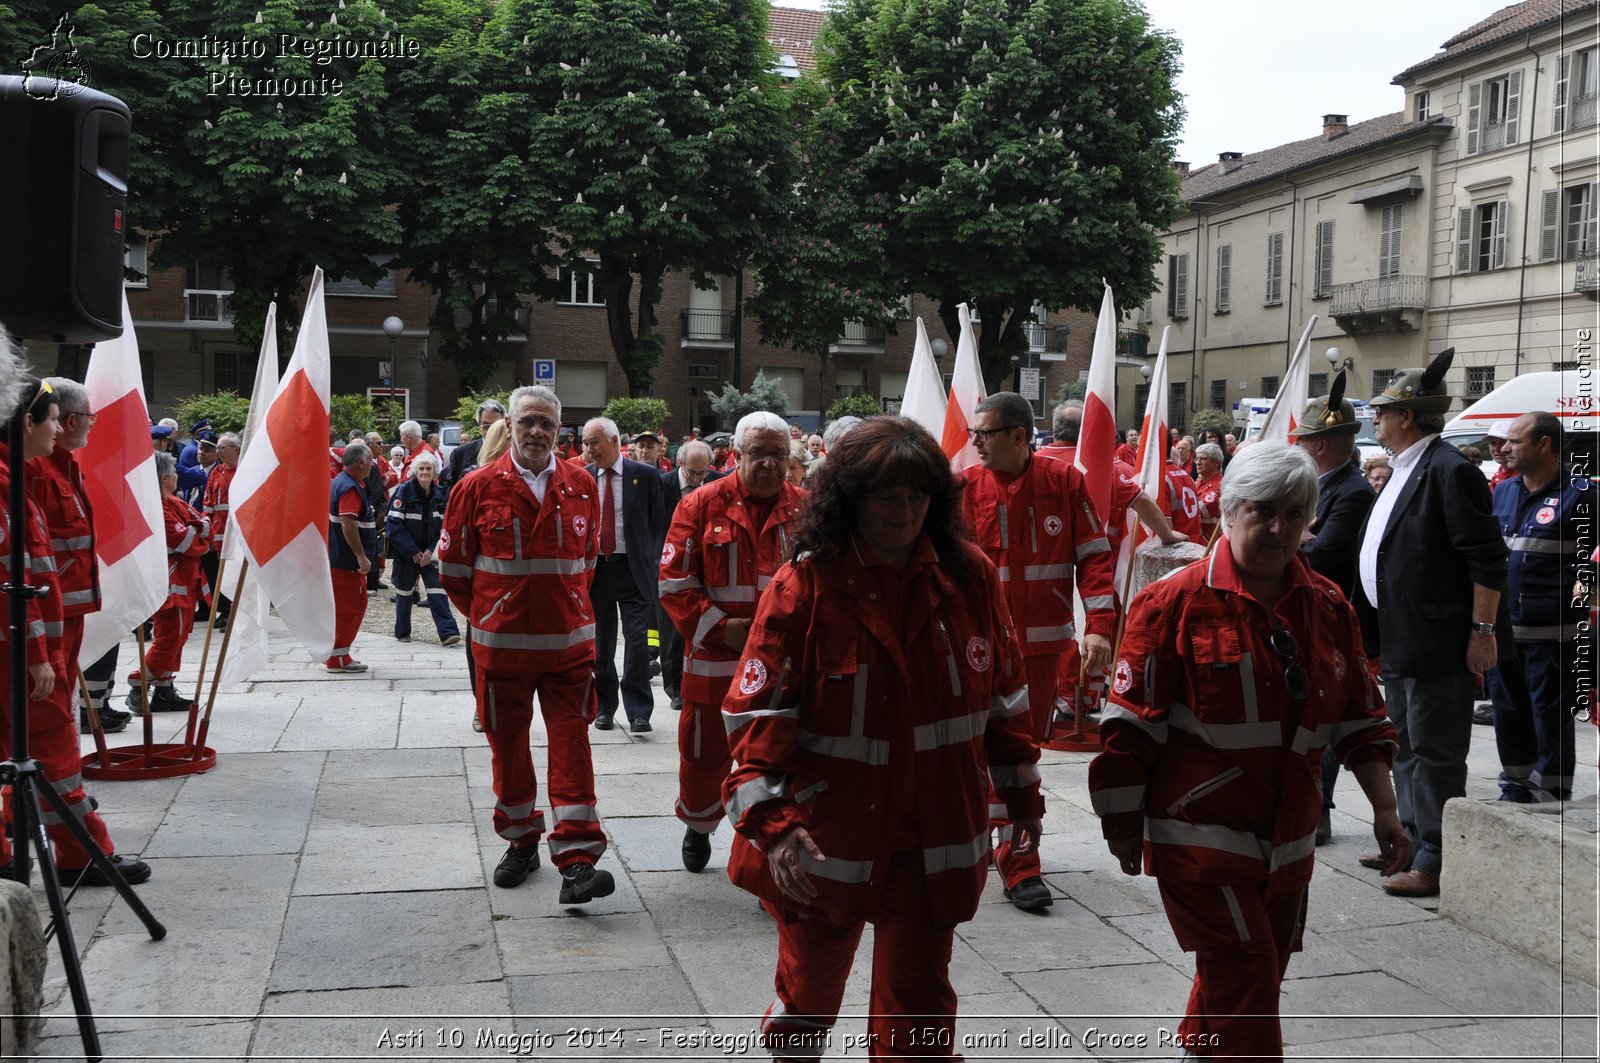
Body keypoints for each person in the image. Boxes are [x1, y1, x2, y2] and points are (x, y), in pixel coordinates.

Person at [721, 416, 1040, 1059]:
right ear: (850, 499)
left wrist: (1021, 802)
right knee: (805, 999)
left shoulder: (970, 577)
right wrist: (773, 824)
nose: (904, 511)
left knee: (919, 1010)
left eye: (918, 495)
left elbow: (1005, 699)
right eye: (886, 496)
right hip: (825, 835)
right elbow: (756, 718)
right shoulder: (806, 583)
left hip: (936, 835)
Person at [1089, 441, 1407, 1061]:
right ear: (1229, 511)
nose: (1279, 527)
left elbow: (1361, 721)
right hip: (1201, 841)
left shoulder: (1328, 605)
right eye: (1263, 510)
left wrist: (1386, 811)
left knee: (1251, 977)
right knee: (1249, 984)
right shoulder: (1173, 603)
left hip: (1288, 842)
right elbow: (1129, 732)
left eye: (1295, 513)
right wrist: (1123, 826)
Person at [438, 385, 616, 904]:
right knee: (508, 750)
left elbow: (586, 563)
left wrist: (567, 609)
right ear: (509, 427)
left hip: (568, 650)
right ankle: (521, 843)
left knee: (572, 748)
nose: (536, 431)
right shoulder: (475, 487)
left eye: (546, 424)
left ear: (559, 432)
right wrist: (494, 613)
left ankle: (578, 860)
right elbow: (453, 571)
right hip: (503, 652)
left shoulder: (582, 484)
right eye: (527, 422)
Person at [1356, 350, 1509, 897]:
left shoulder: (1450, 470)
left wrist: (1482, 632)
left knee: (1436, 751)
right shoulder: (1402, 469)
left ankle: (1437, 857)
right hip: (1398, 637)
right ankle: (1410, 841)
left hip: (1438, 640)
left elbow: (1486, 559)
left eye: (1384, 411)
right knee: (1404, 745)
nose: (1375, 419)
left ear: (1409, 417)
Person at [963, 392, 1115, 911]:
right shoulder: (962, 488)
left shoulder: (1065, 483)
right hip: (976, 649)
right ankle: (991, 838)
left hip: (1043, 648)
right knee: (973, 750)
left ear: (1019, 436)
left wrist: (1099, 624)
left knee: (1021, 752)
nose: (975, 443)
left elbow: (1094, 555)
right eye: (973, 433)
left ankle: (1019, 855)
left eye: (984, 433)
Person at [2, 377, 150, 885]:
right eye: (86, 417)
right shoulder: (26, 475)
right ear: (50, 422)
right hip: (32, 632)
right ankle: (81, 850)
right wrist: (38, 649)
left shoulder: (51, 467)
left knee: (29, 733)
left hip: (51, 625)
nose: (89, 424)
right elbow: (18, 566)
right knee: (51, 739)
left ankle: (15, 822)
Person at [660, 411, 805, 873]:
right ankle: (699, 824)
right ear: (736, 455)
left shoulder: (807, 508)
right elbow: (674, 581)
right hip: (715, 665)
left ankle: (767, 855)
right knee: (703, 760)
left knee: (777, 760)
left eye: (778, 454)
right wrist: (725, 629)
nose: (769, 463)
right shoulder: (700, 505)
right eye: (758, 453)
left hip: (782, 668)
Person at [1037, 399, 1185, 725]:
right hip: (1094, 570)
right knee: (1091, 631)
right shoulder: (1107, 468)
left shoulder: (1032, 463)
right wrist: (1167, 534)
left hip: (1041, 575)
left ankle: (1049, 701)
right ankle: (1074, 701)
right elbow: (1141, 499)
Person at [1289, 374, 1377, 845]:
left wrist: (1292, 538)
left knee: (1322, 719)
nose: (1299, 447)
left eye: (1304, 440)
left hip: (1331, 616)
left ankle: (1319, 810)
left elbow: (1321, 554)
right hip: (1302, 612)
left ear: (1321, 445)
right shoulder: (1318, 485)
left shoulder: (1354, 492)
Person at [1488, 412, 1587, 803]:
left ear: (1544, 444)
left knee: (1549, 716)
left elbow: (1592, 565)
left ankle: (1551, 792)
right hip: (1503, 633)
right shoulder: (1503, 492)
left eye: (1514, 441)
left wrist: (1573, 607)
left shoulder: (1582, 496)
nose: (1504, 448)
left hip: (1553, 636)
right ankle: (1515, 785)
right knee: (1506, 713)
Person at [25, 379, 131, 735]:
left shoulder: (62, 466)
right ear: (71, 420)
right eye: (90, 417)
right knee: (48, 713)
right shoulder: (37, 469)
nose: (91, 423)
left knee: (60, 706)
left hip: (66, 607)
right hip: (44, 610)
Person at [583, 417, 668, 732]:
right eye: (586, 443)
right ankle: (605, 707)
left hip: (633, 570)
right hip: (598, 571)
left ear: (615, 442)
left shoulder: (644, 475)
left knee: (637, 641)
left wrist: (650, 560)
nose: (590, 449)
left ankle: (639, 711)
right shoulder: (584, 478)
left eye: (595, 443)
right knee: (601, 643)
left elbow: (657, 523)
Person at [126, 451, 211, 713]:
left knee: (181, 634)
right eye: (174, 474)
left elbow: (206, 526)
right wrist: (197, 531)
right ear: (165, 478)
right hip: (169, 580)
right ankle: (139, 681)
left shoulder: (173, 501)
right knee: (170, 635)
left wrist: (197, 530)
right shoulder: (157, 506)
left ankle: (163, 690)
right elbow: (185, 542)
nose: (177, 477)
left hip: (185, 577)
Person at [657, 440, 720, 713]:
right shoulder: (662, 485)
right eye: (693, 473)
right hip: (670, 566)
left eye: (703, 473)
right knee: (671, 632)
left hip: (705, 566)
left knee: (699, 628)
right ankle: (674, 688)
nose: (698, 479)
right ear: (680, 463)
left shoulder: (716, 484)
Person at [385, 451, 462, 647]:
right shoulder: (403, 491)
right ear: (414, 471)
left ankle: (448, 633)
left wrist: (430, 551)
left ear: (435, 472)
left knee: (437, 590)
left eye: (429, 469)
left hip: (430, 553)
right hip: (407, 553)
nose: (425, 472)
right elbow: (393, 526)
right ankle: (402, 632)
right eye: (421, 469)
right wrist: (413, 551)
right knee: (404, 592)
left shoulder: (440, 495)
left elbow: (446, 527)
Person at [327, 442, 379, 674]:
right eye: (370, 461)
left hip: (340, 559)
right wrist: (361, 557)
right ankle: (338, 658)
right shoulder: (349, 487)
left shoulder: (341, 481)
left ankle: (340, 654)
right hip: (347, 562)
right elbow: (348, 523)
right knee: (350, 608)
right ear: (361, 462)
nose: (372, 465)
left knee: (349, 606)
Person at [199, 431, 241, 628]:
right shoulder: (217, 471)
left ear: (236, 449)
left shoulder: (245, 470)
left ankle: (239, 612)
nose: (218, 452)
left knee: (237, 572)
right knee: (219, 573)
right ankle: (225, 610)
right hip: (218, 533)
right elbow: (208, 503)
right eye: (217, 449)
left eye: (221, 448)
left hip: (239, 533)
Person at [444, 399, 502, 495]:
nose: (491, 431)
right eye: (486, 426)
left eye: (495, 426)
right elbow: (449, 488)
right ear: (479, 425)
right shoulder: (461, 454)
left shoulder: (513, 452)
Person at [1193, 442, 1224, 541]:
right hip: (1196, 537)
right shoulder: (1198, 482)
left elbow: (1196, 511)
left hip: (1209, 542)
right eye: (1197, 458)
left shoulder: (1220, 486)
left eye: (1203, 459)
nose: (1198, 462)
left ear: (1216, 463)